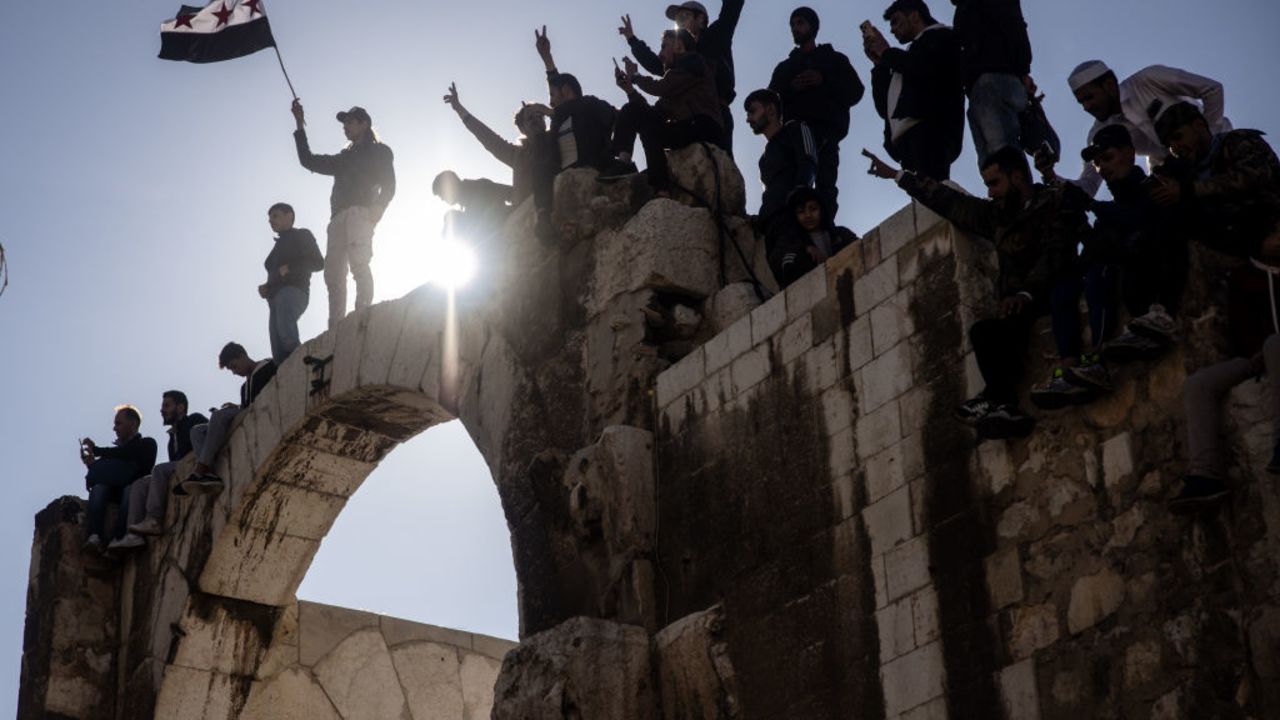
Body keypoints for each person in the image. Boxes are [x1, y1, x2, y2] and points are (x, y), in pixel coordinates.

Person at [864, 146, 1090, 437]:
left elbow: (1056, 253)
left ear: (1018, 178)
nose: (990, 193)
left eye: (995, 184)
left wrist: (1024, 294)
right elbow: (950, 202)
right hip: (1020, 304)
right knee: (985, 332)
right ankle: (1005, 405)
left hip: (1056, 287)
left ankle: (1007, 394)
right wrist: (897, 175)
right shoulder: (996, 215)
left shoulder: (1055, 201)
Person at [1043, 125, 1186, 363]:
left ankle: (1144, 325)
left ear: (1129, 153)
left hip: (1152, 273)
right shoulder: (1112, 207)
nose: (1104, 168)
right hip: (1119, 260)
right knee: (1065, 286)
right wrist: (1075, 220)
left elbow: (1141, 220)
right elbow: (1093, 251)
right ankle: (1075, 364)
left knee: (1111, 264)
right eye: (1098, 164)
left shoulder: (1153, 186)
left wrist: (1091, 205)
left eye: (1108, 158)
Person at [1172, 213, 1280, 513]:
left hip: (1275, 348)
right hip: (1257, 354)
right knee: (1198, 384)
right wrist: (1253, 353)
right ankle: (1205, 474)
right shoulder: (1245, 277)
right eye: (1275, 232)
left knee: (1275, 344)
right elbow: (1241, 327)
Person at [290, 101, 396, 328]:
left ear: (364, 124)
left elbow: (389, 183)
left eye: (349, 122)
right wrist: (299, 123)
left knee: (359, 262)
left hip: (361, 212)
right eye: (344, 123)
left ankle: (363, 312)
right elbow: (307, 160)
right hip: (336, 218)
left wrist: (379, 207)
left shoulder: (380, 151)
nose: (344, 126)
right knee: (333, 274)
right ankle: (335, 326)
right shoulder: (342, 159)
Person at [1064, 60, 1231, 198]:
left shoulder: (1148, 80)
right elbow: (1089, 184)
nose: (1086, 107)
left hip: (1224, 153)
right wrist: (1051, 177)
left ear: (1108, 85)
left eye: (1089, 97)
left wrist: (1210, 140)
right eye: (1081, 102)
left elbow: (1212, 89)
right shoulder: (1100, 135)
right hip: (1180, 179)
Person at [768, 7, 864, 226]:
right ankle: (793, 232)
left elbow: (855, 91)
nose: (795, 28)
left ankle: (826, 231)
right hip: (793, 139)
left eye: (800, 23)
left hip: (826, 133)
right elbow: (770, 103)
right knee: (793, 186)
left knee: (825, 185)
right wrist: (790, 88)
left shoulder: (834, 60)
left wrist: (824, 81)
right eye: (792, 24)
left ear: (813, 26)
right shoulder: (785, 68)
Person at [1150, 102, 1280, 258]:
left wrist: (1188, 190)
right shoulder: (1189, 171)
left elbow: (1253, 176)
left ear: (1198, 125)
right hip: (1233, 243)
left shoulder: (1237, 141)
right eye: (1169, 146)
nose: (1176, 148)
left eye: (1178, 137)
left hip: (1270, 226)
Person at [601, 29, 724, 194]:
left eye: (663, 47)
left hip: (703, 126)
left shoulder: (693, 63)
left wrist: (636, 76)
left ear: (679, 45)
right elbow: (652, 113)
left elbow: (661, 87)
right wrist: (630, 90)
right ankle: (624, 162)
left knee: (651, 130)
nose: (660, 54)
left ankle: (660, 187)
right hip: (690, 126)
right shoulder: (675, 79)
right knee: (636, 113)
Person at [619, 0, 744, 153]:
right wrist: (632, 39)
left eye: (684, 17)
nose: (679, 23)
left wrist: (637, 77)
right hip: (687, 115)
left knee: (722, 167)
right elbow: (657, 64)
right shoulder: (679, 58)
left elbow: (731, 11)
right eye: (677, 21)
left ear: (700, 19)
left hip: (715, 115)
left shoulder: (715, 37)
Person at [533, 26, 618, 239]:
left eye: (554, 95)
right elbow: (558, 89)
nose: (550, 101)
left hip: (590, 168)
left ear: (568, 91)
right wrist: (547, 59)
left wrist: (553, 109)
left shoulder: (590, 105)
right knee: (541, 164)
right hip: (563, 173)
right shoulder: (558, 120)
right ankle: (543, 217)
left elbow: (606, 113)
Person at [864, 0, 964, 180]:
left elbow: (923, 68)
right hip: (907, 144)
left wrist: (887, 52)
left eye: (896, 21)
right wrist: (879, 65)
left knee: (934, 192)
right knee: (921, 195)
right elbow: (885, 107)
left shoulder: (942, 37)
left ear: (915, 16)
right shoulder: (907, 56)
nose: (892, 30)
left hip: (932, 133)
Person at [950, 0, 1057, 165]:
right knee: (996, 159)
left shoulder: (970, 8)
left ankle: (1018, 189)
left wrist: (1022, 70)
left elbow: (1013, 26)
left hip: (993, 81)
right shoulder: (964, 8)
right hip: (985, 84)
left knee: (1003, 156)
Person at [179, 343, 278, 494]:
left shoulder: (268, 365)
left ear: (242, 356)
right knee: (197, 431)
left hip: (263, 413)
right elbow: (245, 407)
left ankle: (201, 469)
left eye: (234, 366)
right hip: (245, 412)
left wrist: (238, 409)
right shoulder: (244, 388)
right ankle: (209, 475)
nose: (234, 372)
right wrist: (236, 407)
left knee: (218, 416)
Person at [744, 89, 819, 277]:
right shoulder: (764, 159)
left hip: (794, 219)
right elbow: (771, 191)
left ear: (770, 110)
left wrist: (799, 199)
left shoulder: (795, 129)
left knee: (795, 265)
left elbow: (808, 162)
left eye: (753, 111)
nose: (748, 119)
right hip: (772, 227)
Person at [118, 392, 208, 545]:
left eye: (167, 406)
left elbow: (207, 439)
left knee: (159, 469)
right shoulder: (171, 439)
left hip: (195, 464)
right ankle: (132, 536)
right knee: (140, 484)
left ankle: (153, 519)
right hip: (179, 466)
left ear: (180, 407)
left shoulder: (194, 419)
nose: (162, 410)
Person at [443, 82, 551, 207]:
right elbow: (487, 137)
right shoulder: (517, 155)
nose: (536, 120)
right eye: (530, 118)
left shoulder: (558, 139)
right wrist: (459, 108)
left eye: (539, 116)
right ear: (522, 129)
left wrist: (550, 112)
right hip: (529, 216)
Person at [80, 405, 157, 552]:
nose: (114, 428)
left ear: (133, 424)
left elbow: (127, 453)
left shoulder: (147, 443)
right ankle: (94, 536)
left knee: (130, 489)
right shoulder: (112, 455)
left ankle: (120, 537)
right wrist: (92, 465)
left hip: (135, 493)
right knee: (99, 489)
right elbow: (97, 478)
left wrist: (97, 451)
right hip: (114, 494)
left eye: (118, 423)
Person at [258, 203, 324, 365]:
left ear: (289, 216)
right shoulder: (275, 250)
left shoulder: (302, 235)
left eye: (275, 216)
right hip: (274, 301)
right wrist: (267, 287)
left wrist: (291, 268)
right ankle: (288, 376)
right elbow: (276, 274)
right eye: (269, 218)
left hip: (294, 291)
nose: (271, 221)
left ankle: (302, 362)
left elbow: (318, 263)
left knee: (288, 338)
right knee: (278, 349)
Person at [770, 186, 856, 288]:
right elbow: (779, 264)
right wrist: (804, 248)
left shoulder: (841, 234)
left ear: (821, 210)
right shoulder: (790, 242)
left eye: (813, 209)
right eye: (801, 212)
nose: (808, 215)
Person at [432, 170, 515, 242]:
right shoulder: (464, 209)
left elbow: (513, 193)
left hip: (507, 235)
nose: (442, 199)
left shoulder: (481, 186)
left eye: (441, 194)